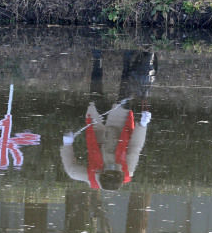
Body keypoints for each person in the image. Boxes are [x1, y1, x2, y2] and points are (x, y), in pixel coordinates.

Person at [60, 49, 155, 190]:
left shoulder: (92, 178)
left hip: (97, 131)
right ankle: (127, 59)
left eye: (107, 168)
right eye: (115, 168)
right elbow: (135, 147)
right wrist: (143, 124)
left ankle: (97, 57)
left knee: (95, 96)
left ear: (101, 173)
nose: (111, 165)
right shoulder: (128, 171)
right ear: (120, 173)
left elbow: (71, 170)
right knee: (124, 96)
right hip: (119, 130)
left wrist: (67, 145)